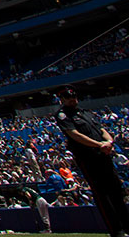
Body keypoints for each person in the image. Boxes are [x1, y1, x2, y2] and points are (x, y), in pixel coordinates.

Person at [55, 86, 128, 237]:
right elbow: (75, 135)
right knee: (103, 195)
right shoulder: (63, 115)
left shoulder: (84, 112)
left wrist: (109, 141)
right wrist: (99, 145)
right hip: (89, 158)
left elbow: (101, 130)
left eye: (74, 98)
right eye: (69, 99)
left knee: (116, 190)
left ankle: (127, 224)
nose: (72, 100)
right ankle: (116, 231)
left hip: (104, 155)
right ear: (62, 100)